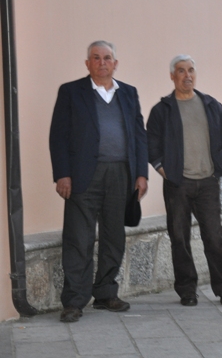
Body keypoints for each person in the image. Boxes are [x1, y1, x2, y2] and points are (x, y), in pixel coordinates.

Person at [49, 40, 148, 323]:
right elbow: (58, 135)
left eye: (107, 58)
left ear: (115, 63)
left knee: (113, 236)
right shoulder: (71, 92)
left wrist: (141, 173)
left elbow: (139, 135)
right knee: (78, 238)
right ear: (87, 63)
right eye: (96, 57)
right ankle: (74, 301)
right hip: (83, 175)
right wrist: (62, 173)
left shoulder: (128, 93)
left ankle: (105, 293)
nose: (102, 62)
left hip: (121, 175)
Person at [146, 55, 222, 306]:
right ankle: (187, 291)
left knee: (215, 238)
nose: (187, 75)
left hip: (208, 182)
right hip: (178, 184)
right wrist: (163, 170)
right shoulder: (162, 110)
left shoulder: (211, 105)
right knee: (179, 238)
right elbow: (151, 144)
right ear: (172, 76)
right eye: (181, 71)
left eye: (191, 70)